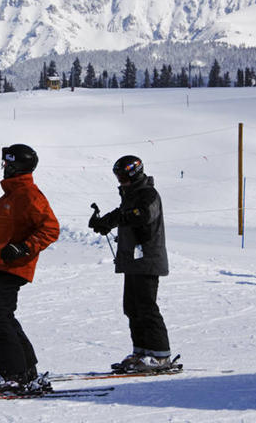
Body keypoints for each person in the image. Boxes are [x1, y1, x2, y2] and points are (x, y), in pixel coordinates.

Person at [0, 144, 59, 396]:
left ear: (17, 166)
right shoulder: (10, 195)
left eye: (8, 163)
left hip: (13, 265)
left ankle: (13, 376)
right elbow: (5, 227)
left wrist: (24, 248)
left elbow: (51, 228)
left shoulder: (28, 194)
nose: (4, 167)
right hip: (0, 264)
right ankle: (26, 372)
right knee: (3, 316)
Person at [89, 155, 172, 372]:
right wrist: (104, 222)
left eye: (123, 177)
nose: (120, 181)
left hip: (147, 259)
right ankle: (141, 352)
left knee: (146, 307)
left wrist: (116, 220)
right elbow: (122, 213)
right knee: (132, 307)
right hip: (133, 260)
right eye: (118, 177)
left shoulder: (148, 194)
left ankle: (160, 356)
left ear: (134, 174)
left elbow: (142, 216)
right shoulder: (131, 195)